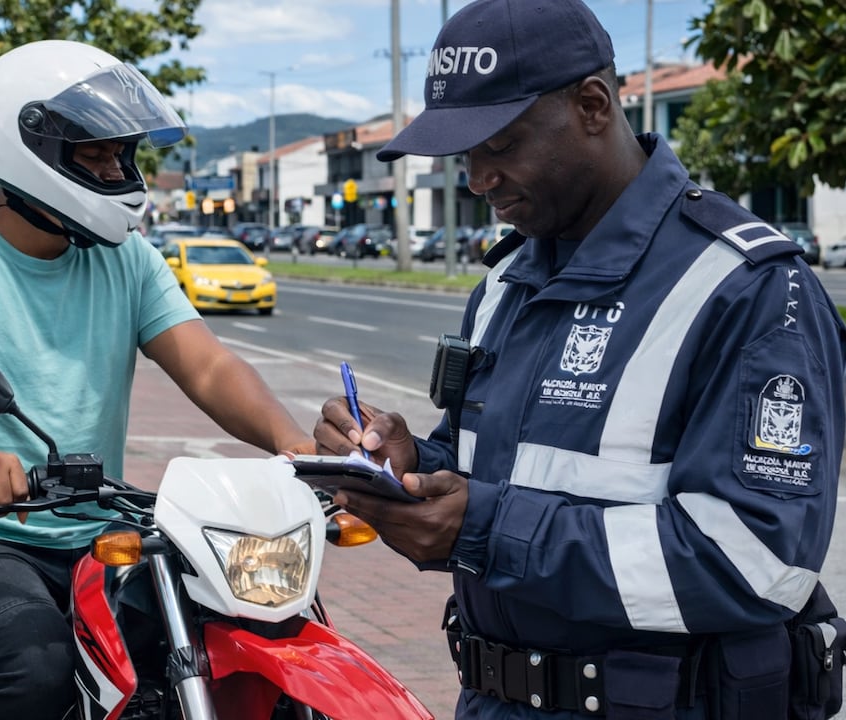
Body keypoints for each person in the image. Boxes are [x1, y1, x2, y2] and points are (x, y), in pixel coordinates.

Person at [313, 1, 846, 718]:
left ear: (593, 105)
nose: (477, 179)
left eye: (500, 145)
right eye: (464, 156)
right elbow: (497, 474)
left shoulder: (746, 287)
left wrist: (483, 529)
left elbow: (758, 563)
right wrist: (409, 465)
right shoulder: (507, 281)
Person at [0, 40, 314, 720]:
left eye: (121, 155)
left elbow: (207, 365)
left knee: (222, 648)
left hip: (100, 532)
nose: (116, 171)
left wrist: (295, 446)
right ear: (29, 147)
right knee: (33, 665)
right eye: (96, 155)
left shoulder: (129, 259)